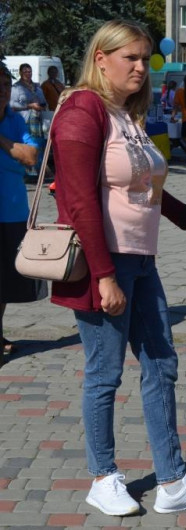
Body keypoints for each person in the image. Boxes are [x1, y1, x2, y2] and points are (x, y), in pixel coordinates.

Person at [49, 19, 186, 516]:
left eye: (144, 58)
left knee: (161, 365)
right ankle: (103, 477)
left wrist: (184, 215)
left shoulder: (125, 114)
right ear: (100, 59)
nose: (140, 68)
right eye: (129, 57)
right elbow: (80, 200)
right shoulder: (82, 111)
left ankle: (172, 481)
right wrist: (104, 275)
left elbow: (143, 182)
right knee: (104, 374)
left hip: (141, 260)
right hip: (102, 262)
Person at [0, 65, 45, 364]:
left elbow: (31, 157)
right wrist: (12, 155)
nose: (3, 90)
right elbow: (21, 158)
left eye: (6, 84)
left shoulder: (15, 120)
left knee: (4, 281)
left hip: (12, 210)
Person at [10, 63, 46, 174]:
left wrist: (42, 105)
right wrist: (29, 106)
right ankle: (29, 171)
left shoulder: (37, 86)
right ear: (20, 73)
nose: (28, 74)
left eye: (29, 71)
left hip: (39, 120)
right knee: (28, 144)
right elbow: (12, 104)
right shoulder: (16, 87)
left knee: (39, 144)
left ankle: (38, 170)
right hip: (25, 120)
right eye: (25, 71)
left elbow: (44, 100)